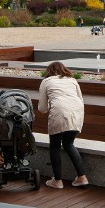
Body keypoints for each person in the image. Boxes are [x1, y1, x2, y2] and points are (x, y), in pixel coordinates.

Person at [38, 61, 89, 189]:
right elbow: (80, 99)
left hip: (59, 112)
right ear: (63, 69)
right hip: (77, 112)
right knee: (69, 144)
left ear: (49, 71)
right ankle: (82, 177)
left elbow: (42, 108)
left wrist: (52, 104)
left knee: (55, 146)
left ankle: (58, 181)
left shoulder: (46, 82)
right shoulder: (72, 80)